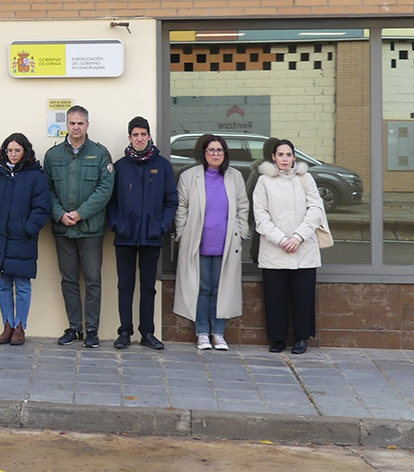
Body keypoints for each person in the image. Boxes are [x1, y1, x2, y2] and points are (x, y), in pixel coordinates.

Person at [43, 105, 114, 348]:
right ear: (66, 125)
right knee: (69, 280)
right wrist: (59, 214)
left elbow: (105, 190)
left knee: (93, 280)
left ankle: (92, 330)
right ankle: (75, 328)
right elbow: (47, 189)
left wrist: (80, 214)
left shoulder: (99, 153)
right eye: (72, 123)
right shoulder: (53, 156)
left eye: (80, 123)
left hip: (90, 230)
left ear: (87, 125)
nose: (76, 127)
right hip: (63, 229)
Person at [106, 116, 177, 350]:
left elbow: (171, 201)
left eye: (143, 134)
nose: (139, 139)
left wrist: (161, 226)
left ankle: (147, 332)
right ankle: (124, 332)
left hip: (152, 237)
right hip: (125, 237)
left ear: (149, 136)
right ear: (130, 138)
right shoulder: (120, 166)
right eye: (135, 135)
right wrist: (117, 224)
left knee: (148, 287)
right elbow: (111, 201)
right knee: (125, 286)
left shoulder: (163, 165)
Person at [173, 133, 249, 352]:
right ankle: (202, 333)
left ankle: (218, 332)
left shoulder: (235, 177)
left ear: (225, 154)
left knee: (221, 289)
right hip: (199, 243)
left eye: (219, 150)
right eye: (211, 150)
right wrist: (182, 232)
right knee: (202, 288)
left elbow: (243, 206)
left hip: (226, 244)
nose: (215, 154)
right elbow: (182, 207)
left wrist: (242, 231)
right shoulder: (190, 176)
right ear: (203, 153)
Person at [253, 139, 324, 355]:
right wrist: (282, 239)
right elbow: (261, 215)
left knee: (303, 296)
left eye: (289, 154)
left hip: (303, 248)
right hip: (275, 249)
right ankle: (278, 339)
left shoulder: (306, 179)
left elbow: (315, 209)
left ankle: (301, 338)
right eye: (280, 155)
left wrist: (298, 237)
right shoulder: (264, 181)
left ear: (294, 157)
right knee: (275, 296)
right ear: (273, 157)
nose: (285, 159)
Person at [0, 132, 50, 346]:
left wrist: (28, 228)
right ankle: (7, 324)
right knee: (2, 284)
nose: (12, 154)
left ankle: (20, 326)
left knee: (22, 284)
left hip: (21, 239)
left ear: (25, 151)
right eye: (9, 150)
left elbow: (42, 207)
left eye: (17, 150)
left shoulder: (36, 176)